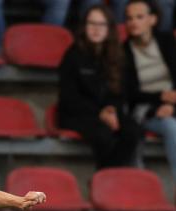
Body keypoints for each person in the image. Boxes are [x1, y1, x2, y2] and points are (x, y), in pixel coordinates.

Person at [59, 4, 141, 169]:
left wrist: (111, 109)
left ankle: (107, 176)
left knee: (133, 131)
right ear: (84, 27)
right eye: (91, 23)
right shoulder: (72, 55)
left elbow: (122, 92)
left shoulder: (117, 55)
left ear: (109, 28)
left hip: (108, 113)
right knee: (103, 134)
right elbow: (69, 97)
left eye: (101, 24)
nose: (96, 29)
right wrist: (99, 113)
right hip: (78, 114)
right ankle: (107, 178)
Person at [123, 0, 176, 183]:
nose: (133, 22)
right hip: (145, 109)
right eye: (129, 18)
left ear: (153, 19)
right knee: (171, 126)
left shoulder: (167, 41)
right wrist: (160, 99)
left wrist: (170, 104)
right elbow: (129, 93)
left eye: (139, 17)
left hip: (172, 103)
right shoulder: (123, 51)